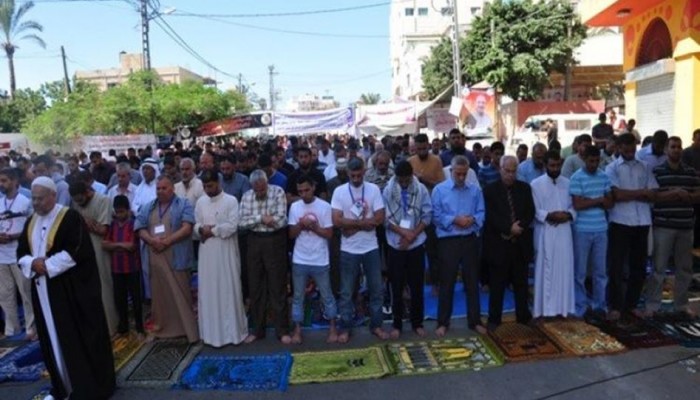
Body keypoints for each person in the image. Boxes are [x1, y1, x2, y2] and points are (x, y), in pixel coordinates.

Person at [17, 177, 115, 400]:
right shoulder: (31, 221)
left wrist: (46, 265)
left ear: (53, 196)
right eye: (33, 198)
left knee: (74, 338)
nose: (36, 202)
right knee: (52, 340)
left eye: (40, 198)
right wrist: (32, 263)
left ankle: (86, 388)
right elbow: (21, 252)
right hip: (43, 291)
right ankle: (62, 387)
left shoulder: (69, 217)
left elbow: (77, 250)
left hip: (69, 292)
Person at [135, 175, 199, 343]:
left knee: (181, 293)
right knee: (160, 296)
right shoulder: (148, 207)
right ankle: (162, 328)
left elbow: (187, 228)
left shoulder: (183, 204)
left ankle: (188, 331)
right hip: (155, 256)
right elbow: (140, 227)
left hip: (177, 255)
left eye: (164, 188)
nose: (160, 191)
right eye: (158, 188)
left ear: (172, 188)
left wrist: (167, 242)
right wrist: (152, 241)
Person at [605, 133, 660, 320]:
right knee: (616, 266)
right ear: (619, 148)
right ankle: (615, 306)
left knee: (639, 266)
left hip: (642, 221)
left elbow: (653, 193)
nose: (630, 150)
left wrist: (633, 194)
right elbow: (617, 195)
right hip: (620, 221)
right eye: (626, 148)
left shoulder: (644, 166)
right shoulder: (612, 168)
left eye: (632, 147)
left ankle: (631, 304)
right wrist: (641, 193)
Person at [331, 157, 386, 343]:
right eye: (352, 176)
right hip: (349, 249)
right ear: (347, 173)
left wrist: (351, 226)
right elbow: (336, 220)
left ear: (364, 172)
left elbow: (379, 218)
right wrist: (363, 224)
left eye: (359, 175)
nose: (356, 179)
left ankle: (376, 325)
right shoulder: (339, 192)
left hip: (371, 247)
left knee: (376, 289)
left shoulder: (373, 189)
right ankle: (346, 327)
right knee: (346, 292)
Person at [645, 136, 700, 317]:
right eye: (673, 147)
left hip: (685, 226)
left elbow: (697, 194)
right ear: (666, 150)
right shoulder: (657, 171)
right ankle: (653, 306)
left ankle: (681, 305)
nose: (676, 150)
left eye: (678, 147)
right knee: (659, 268)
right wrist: (674, 193)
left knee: (684, 269)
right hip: (663, 226)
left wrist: (687, 196)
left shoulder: (690, 172)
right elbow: (653, 196)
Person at [431, 155, 486, 336]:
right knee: (447, 282)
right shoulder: (440, 190)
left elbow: (481, 212)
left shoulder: (475, 190)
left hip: (469, 239)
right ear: (451, 171)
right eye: (458, 174)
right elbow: (435, 216)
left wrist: (472, 220)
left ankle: (475, 321)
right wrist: (454, 219)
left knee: (472, 282)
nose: (461, 177)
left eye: (464, 174)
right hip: (449, 241)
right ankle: (443, 322)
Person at [195, 169, 249, 347]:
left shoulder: (231, 201)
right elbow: (196, 225)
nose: (207, 190)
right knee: (209, 291)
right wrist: (201, 229)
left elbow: (232, 226)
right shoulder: (201, 202)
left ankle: (233, 334)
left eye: (210, 186)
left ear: (218, 183)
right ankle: (210, 335)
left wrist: (212, 230)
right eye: (205, 186)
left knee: (228, 290)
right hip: (207, 254)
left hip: (226, 254)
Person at [239, 170, 290, 344]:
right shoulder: (247, 196)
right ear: (252, 186)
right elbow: (241, 222)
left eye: (263, 189)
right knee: (256, 287)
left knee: (277, 286)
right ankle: (257, 330)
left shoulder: (278, 192)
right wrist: (261, 218)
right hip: (254, 241)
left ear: (267, 183)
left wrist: (258, 220)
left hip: (275, 241)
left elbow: (281, 220)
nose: (260, 192)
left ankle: (282, 330)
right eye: (257, 190)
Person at [483, 156, 534, 329]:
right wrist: (508, 228)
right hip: (499, 244)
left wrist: (519, 227)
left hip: (520, 243)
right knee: (497, 285)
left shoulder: (525, 188)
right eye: (507, 171)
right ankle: (494, 319)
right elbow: (490, 216)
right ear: (500, 170)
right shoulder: (490, 190)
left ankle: (523, 316)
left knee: (521, 284)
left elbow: (530, 212)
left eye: (513, 171)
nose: (510, 175)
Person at [383, 161, 432, 338]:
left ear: (411, 176)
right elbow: (385, 219)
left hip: (416, 243)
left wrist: (412, 235)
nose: (404, 184)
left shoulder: (421, 190)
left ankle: (417, 323)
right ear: (396, 177)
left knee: (416, 285)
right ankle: (397, 324)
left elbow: (427, 216)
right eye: (401, 181)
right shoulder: (388, 190)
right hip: (395, 244)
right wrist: (403, 233)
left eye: (407, 180)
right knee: (396, 285)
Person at [288, 174, 338, 344]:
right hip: (300, 258)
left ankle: (332, 328)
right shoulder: (295, 207)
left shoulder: (324, 207)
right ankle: (297, 330)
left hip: (320, 258)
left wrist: (314, 227)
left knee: (327, 295)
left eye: (306, 190)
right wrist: (301, 225)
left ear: (314, 187)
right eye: (300, 191)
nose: (304, 194)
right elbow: (291, 234)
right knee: (298, 297)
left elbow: (329, 234)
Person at [68, 180, 119, 336]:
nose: (78, 203)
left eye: (80, 200)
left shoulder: (103, 200)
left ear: (87, 192)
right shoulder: (76, 203)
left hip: (99, 248)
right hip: (82, 249)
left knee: (104, 287)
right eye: (75, 201)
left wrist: (84, 222)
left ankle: (110, 326)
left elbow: (103, 230)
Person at [569, 145, 614, 319]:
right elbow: (578, 204)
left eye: (596, 161)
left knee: (600, 272)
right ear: (584, 160)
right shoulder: (576, 177)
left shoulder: (604, 176)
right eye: (591, 161)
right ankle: (580, 306)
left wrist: (590, 200)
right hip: (582, 229)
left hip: (601, 229)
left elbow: (610, 203)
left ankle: (599, 306)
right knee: (580, 272)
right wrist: (599, 200)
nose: (594, 164)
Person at [531, 150, 576, 318]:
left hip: (564, 232)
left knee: (564, 270)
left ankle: (562, 310)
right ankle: (543, 311)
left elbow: (574, 206)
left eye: (558, 165)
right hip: (545, 231)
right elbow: (534, 210)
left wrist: (567, 215)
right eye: (552, 165)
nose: (555, 168)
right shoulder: (536, 184)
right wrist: (549, 215)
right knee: (545, 271)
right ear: (545, 165)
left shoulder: (568, 183)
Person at [102, 195, 144, 338]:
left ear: (128, 210)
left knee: (136, 299)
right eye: (117, 212)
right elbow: (104, 244)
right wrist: (121, 245)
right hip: (117, 268)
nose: (119, 214)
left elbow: (131, 246)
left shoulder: (133, 224)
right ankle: (123, 327)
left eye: (122, 211)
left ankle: (140, 328)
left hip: (132, 268)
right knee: (120, 300)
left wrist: (114, 246)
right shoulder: (112, 225)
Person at [0, 168, 35, 340]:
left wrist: (15, 236)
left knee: (26, 292)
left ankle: (31, 328)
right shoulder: (0, 202)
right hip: (1, 255)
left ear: (14, 181)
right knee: (5, 294)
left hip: (19, 253)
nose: (1, 184)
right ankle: (11, 329)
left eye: (4, 180)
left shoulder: (25, 201)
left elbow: (33, 227)